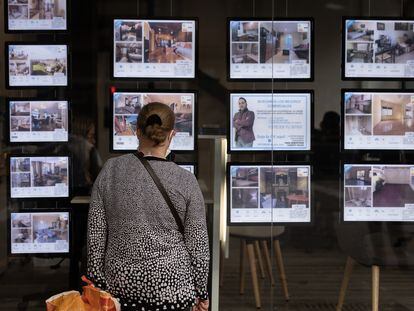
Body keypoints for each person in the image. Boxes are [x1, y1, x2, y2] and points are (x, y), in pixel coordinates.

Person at [87, 102, 210, 311]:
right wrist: (202, 294)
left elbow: (95, 237)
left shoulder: (110, 171)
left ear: (137, 132)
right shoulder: (186, 181)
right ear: (172, 135)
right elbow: (198, 248)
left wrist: (99, 285)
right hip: (174, 290)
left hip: (120, 288)